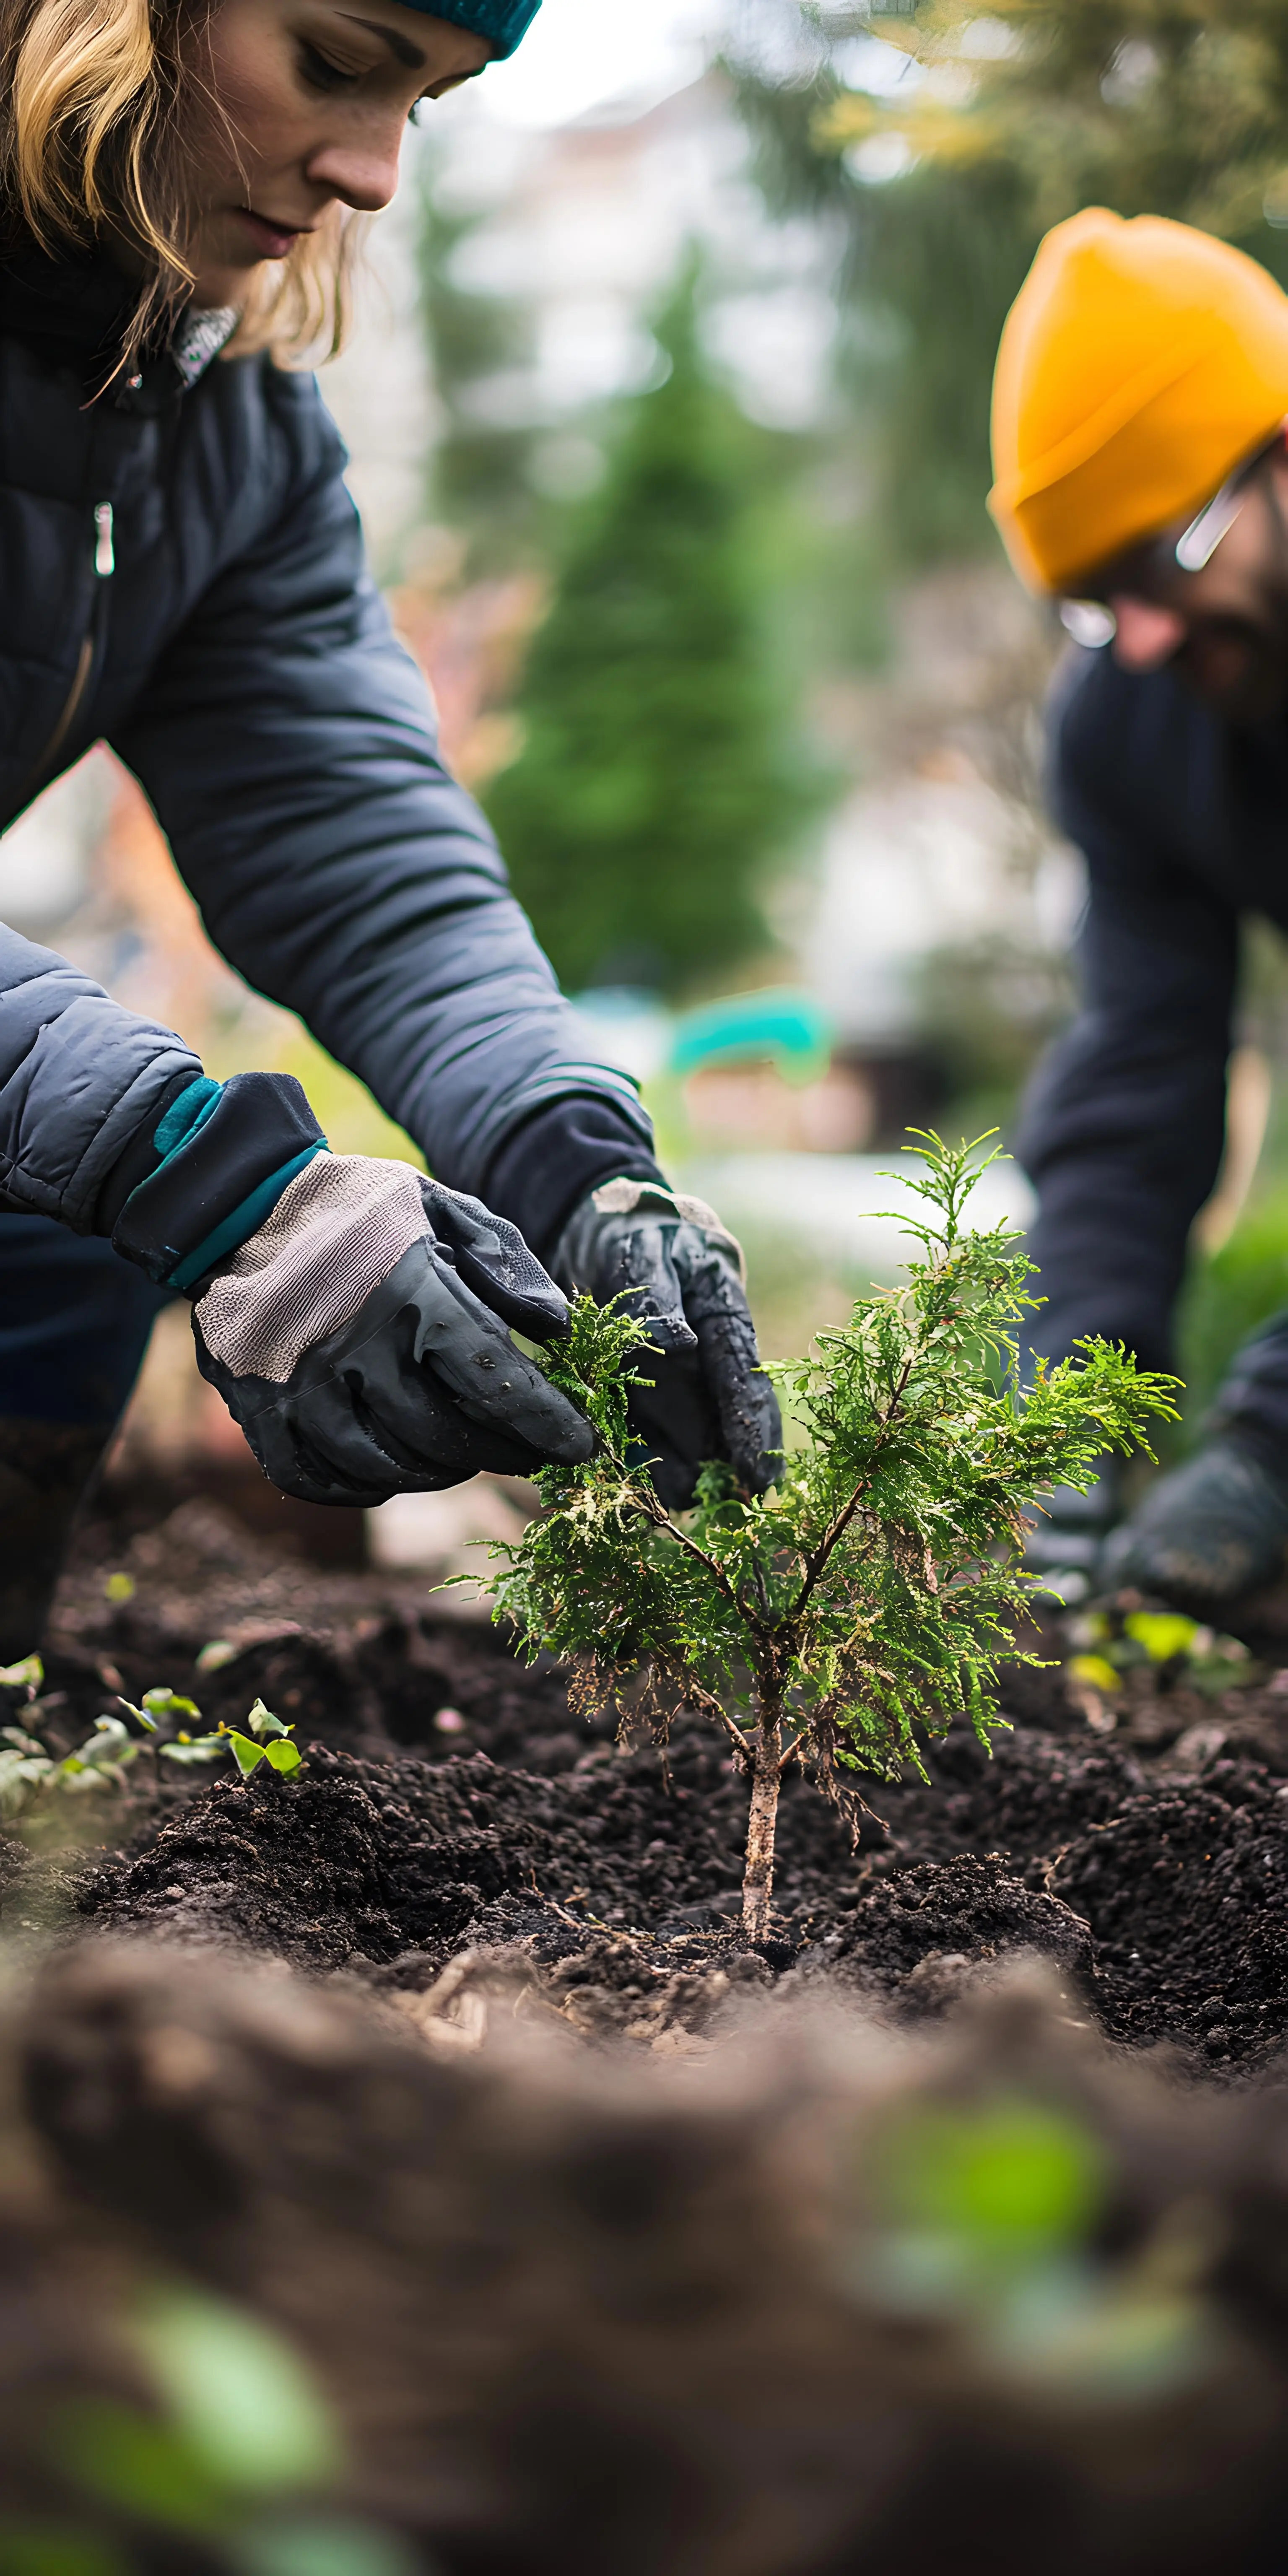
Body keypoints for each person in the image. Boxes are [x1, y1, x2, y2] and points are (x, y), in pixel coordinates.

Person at [0, 0, 780, 1655]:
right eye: (342, 60)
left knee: (36, 1237)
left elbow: (361, 859)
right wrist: (221, 1185)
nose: (373, 173)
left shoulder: (215, 435)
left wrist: (584, 1177)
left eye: (431, 98)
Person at [990, 207, 1288, 1610]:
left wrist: (1271, 1446)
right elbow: (1144, 1064)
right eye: (1100, 599)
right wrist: (1077, 1394)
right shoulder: (1129, 723)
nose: (1148, 637)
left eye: (1162, 560)